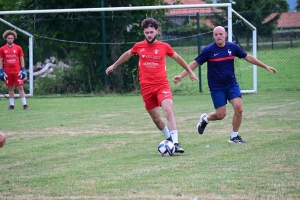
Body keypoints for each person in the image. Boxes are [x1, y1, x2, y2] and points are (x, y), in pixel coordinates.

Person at [106, 18, 199, 153]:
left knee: (168, 110)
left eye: (151, 32)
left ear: (156, 31)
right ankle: (169, 139)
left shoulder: (164, 46)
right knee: (156, 119)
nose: (149, 35)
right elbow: (127, 54)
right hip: (146, 88)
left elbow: (178, 58)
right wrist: (114, 65)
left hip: (162, 85)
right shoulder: (139, 46)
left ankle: (176, 143)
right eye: (146, 32)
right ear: (144, 33)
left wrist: (190, 72)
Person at [173, 26, 277, 143]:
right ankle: (205, 119)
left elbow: (248, 57)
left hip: (231, 84)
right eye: (216, 34)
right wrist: (181, 76)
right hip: (217, 87)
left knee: (239, 109)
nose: (218, 36)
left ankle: (234, 136)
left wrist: (265, 66)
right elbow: (194, 63)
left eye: (220, 34)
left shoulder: (232, 47)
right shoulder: (208, 50)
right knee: (221, 114)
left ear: (225, 35)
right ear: (213, 36)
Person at [0, 30, 30, 110]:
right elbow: (1, 60)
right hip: (7, 71)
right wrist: (1, 71)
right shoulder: (2, 49)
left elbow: (21, 58)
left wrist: (23, 69)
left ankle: (25, 105)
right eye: (9, 38)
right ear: (6, 38)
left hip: (17, 71)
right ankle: (12, 105)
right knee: (10, 88)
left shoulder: (18, 48)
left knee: (20, 87)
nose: (10, 39)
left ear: (14, 38)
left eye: (12, 38)